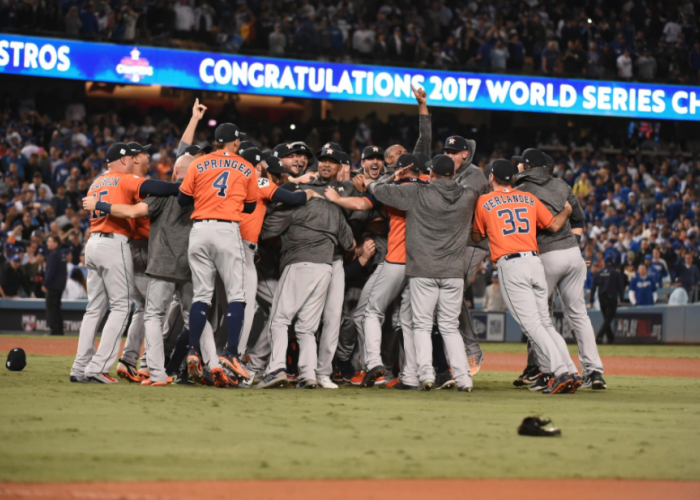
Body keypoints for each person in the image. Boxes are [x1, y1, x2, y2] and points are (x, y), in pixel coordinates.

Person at [70, 142, 180, 384]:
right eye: (131, 156)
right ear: (122, 160)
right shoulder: (123, 178)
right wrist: (184, 185)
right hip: (114, 242)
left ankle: (79, 367)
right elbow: (159, 187)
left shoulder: (97, 181)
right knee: (121, 307)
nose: (134, 160)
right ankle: (98, 367)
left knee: (94, 309)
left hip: (93, 243)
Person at [367, 154, 477, 392]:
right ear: (454, 174)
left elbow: (380, 192)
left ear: (433, 173)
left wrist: (380, 180)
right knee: (449, 327)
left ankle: (426, 374)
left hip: (423, 271)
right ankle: (464, 379)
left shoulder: (418, 192)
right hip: (453, 272)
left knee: (422, 326)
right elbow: (476, 183)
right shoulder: (468, 196)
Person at [472, 159, 580, 395]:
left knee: (532, 325)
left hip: (512, 265)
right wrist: (566, 211)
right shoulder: (528, 198)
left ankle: (561, 372)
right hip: (535, 262)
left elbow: (477, 235)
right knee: (544, 323)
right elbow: (553, 225)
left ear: (491, 178)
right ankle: (571, 370)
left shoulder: (484, 201)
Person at [514, 148, 605, 390]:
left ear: (527, 166)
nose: (518, 167)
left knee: (540, 316)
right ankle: (594, 372)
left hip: (545, 256)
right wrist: (573, 247)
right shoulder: (561, 184)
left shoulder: (520, 190)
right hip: (572, 255)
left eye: (521, 164)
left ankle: (547, 371)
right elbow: (578, 219)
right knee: (579, 315)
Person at [257, 172, 355, 389]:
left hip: (300, 264)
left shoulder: (295, 205)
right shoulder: (333, 207)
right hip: (326, 269)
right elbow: (350, 244)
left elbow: (264, 231)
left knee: (280, 319)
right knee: (307, 328)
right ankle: (308, 375)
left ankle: (276, 369)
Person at [178, 123, 257, 385]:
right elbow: (251, 205)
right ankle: (232, 353)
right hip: (226, 229)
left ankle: (192, 351)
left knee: (202, 295)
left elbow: (182, 199)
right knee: (236, 295)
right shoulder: (246, 166)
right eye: (237, 141)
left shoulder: (197, 164)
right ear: (234, 142)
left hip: (199, 229)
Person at [590, 257, 625, 347]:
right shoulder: (615, 273)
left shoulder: (598, 273)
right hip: (612, 298)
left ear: (604, 262)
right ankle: (598, 337)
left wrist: (591, 301)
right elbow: (620, 287)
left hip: (601, 299)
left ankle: (611, 338)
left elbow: (593, 287)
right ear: (612, 262)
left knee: (606, 319)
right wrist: (621, 298)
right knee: (608, 319)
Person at [42, 235, 67, 336]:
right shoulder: (62, 254)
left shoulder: (53, 255)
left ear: (56, 243)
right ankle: (59, 330)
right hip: (59, 287)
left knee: (51, 308)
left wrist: (45, 284)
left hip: (52, 286)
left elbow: (50, 271)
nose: (48, 243)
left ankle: (53, 330)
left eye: (50, 241)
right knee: (57, 308)